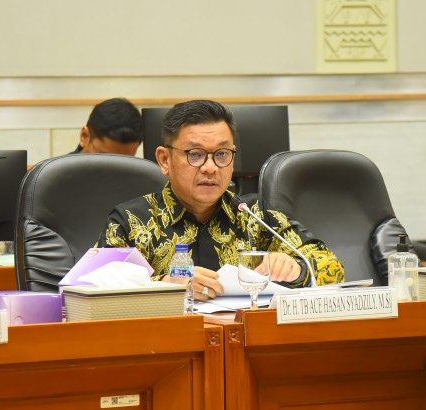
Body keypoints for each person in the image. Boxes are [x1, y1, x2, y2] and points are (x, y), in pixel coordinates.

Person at [96, 99, 345, 301]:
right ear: (164, 160)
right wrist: (164, 286)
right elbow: (93, 287)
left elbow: (332, 268)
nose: (210, 167)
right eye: (195, 154)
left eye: (222, 154)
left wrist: (296, 269)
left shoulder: (255, 214)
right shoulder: (130, 221)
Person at [71, 98, 142, 156]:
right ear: (84, 136)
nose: (114, 167)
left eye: (127, 160)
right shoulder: (63, 169)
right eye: (105, 158)